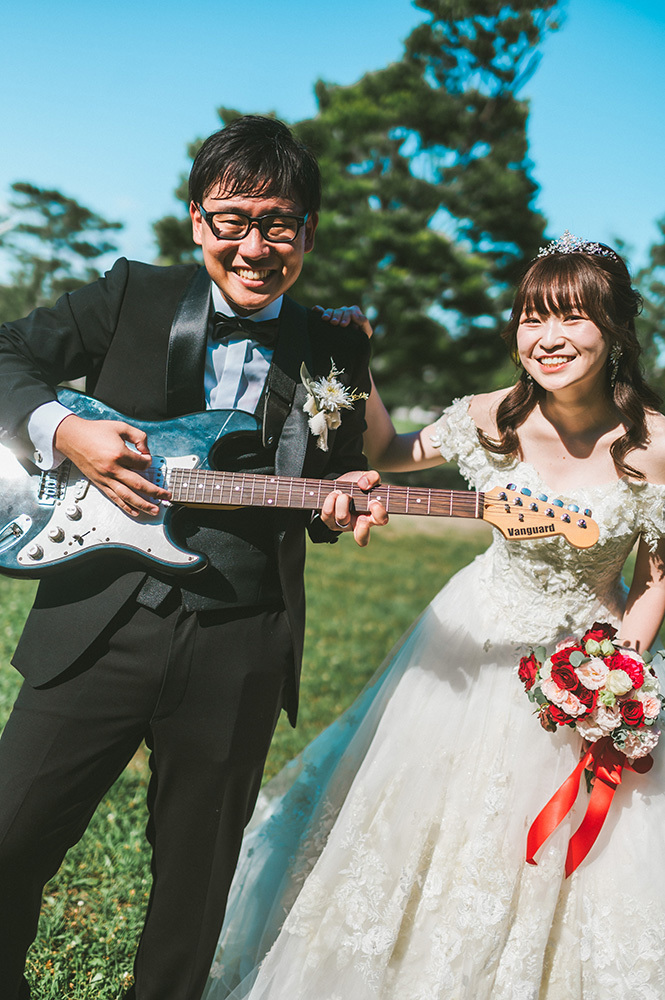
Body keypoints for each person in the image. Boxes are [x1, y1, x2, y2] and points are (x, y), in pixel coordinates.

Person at [202, 234, 665, 999]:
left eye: (571, 317)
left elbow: (655, 576)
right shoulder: (489, 416)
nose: (547, 338)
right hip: (472, 640)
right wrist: (358, 359)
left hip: (585, 649)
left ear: (613, 330)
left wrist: (612, 671)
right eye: (531, 318)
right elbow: (385, 448)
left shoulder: (654, 444)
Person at [0, 115, 387, 1000]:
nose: (254, 247)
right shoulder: (131, 293)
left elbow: (322, 488)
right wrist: (65, 429)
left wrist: (340, 501)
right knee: (8, 837)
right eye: (232, 219)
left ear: (308, 233)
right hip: (97, 617)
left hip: (240, 635)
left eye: (277, 224)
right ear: (196, 221)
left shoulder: (337, 345)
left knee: (194, 881)